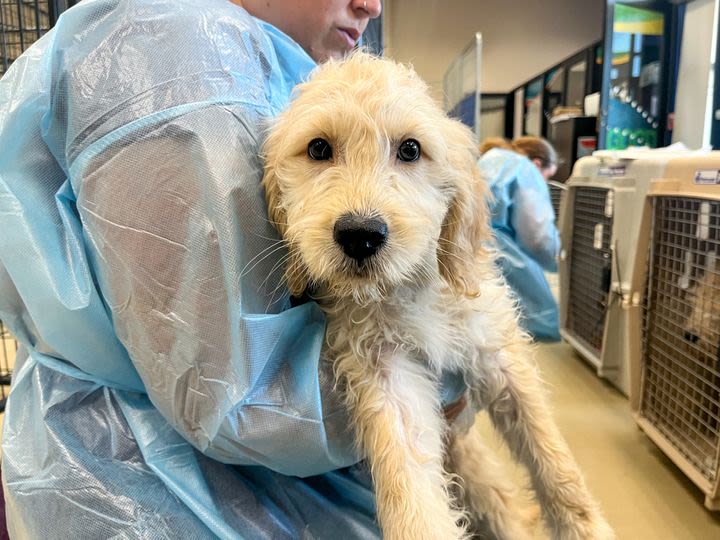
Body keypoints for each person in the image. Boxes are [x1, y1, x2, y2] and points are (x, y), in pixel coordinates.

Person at [0, 0, 462, 537]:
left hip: (245, 481)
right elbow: (230, 397)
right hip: (148, 489)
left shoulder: (256, 62)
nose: (370, 5)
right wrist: (445, 378)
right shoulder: (181, 58)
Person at [477, 136, 562, 342]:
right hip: (502, 258)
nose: (544, 184)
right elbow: (538, 238)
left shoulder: (489, 159)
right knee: (540, 323)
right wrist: (560, 259)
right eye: (546, 177)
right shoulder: (524, 169)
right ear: (537, 164)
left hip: (475, 256)